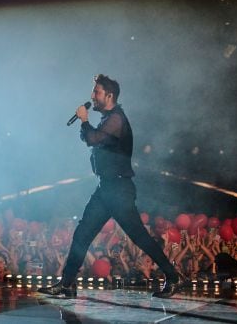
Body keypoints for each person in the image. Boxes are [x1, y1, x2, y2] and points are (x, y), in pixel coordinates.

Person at [38, 74, 184, 298]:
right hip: (105, 189)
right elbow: (91, 139)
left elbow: (93, 138)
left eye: (96, 92)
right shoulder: (109, 119)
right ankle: (66, 284)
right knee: (82, 235)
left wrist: (85, 120)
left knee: (140, 237)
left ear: (109, 95)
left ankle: (173, 277)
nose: (92, 96)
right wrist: (86, 126)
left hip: (119, 190)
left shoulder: (117, 119)